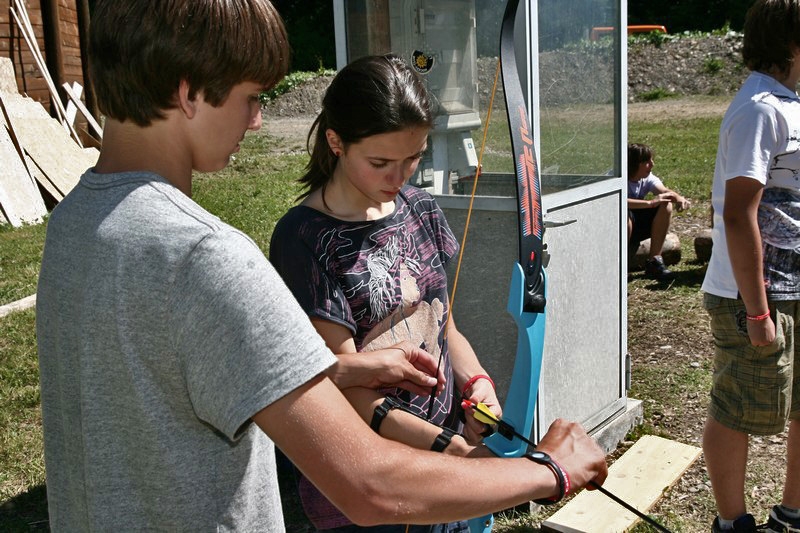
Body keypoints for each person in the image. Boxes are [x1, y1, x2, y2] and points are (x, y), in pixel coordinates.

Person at [35, 1, 608, 531]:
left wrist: (344, 372)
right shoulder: (205, 258)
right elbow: (369, 485)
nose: (257, 121)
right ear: (189, 94)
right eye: (253, 97)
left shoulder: (74, 224)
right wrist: (548, 470)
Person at [269, 54, 506, 533]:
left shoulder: (419, 207)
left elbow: (445, 326)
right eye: (380, 162)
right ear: (336, 141)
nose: (399, 178)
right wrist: (449, 451)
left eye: (413, 158)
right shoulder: (305, 238)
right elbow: (342, 384)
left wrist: (478, 384)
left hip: (442, 471)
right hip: (370, 491)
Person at [700, 1, 800, 532]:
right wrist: (759, 312)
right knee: (737, 407)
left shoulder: (791, 102)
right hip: (758, 295)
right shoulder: (761, 108)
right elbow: (737, 215)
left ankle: (793, 513)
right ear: (791, 41)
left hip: (796, 290)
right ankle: (732, 523)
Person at [627, 142, 690, 281]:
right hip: (617, 228)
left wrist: (679, 199)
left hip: (637, 227)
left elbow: (665, 192)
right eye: (647, 162)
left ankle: (654, 262)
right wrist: (649, 203)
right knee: (623, 216)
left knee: (665, 204)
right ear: (634, 164)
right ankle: (619, 266)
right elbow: (618, 201)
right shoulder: (617, 177)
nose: (652, 164)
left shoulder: (647, 178)